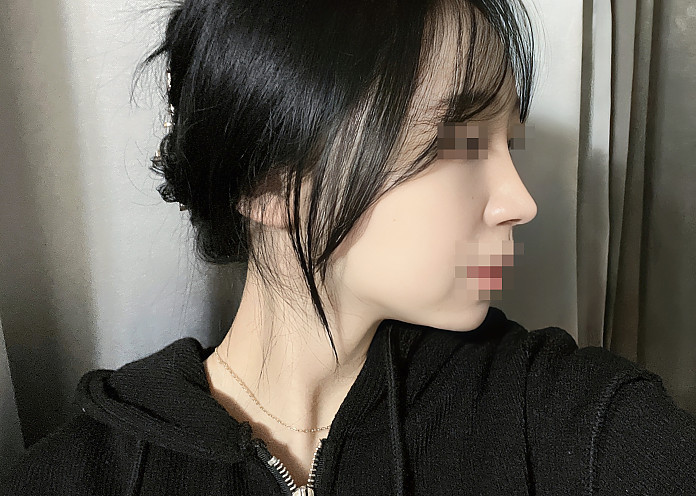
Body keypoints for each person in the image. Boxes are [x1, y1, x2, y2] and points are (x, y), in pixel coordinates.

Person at [3, 0, 695, 494]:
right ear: (271, 183)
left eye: (507, 145)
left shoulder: (557, 414)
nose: (520, 201)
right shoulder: (84, 473)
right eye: (459, 142)